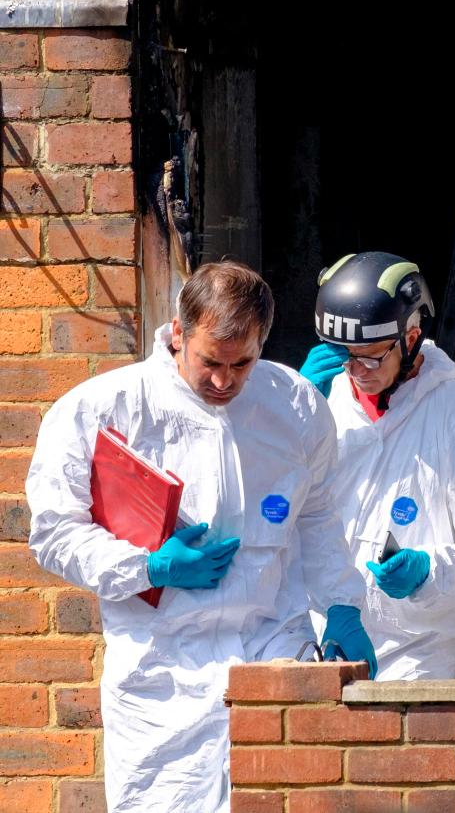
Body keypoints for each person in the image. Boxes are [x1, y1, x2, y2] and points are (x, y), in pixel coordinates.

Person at [26, 261, 375, 813]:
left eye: (243, 364)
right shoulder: (102, 410)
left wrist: (341, 606)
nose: (224, 381)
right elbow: (53, 533)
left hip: (270, 653)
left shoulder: (294, 405)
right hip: (161, 673)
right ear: (178, 332)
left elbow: (318, 517)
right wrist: (147, 567)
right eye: (210, 361)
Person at [300, 250, 455, 681]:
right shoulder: (321, 400)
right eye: (344, 355)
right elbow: (272, 505)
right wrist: (292, 413)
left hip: (417, 654)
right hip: (319, 638)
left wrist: (428, 572)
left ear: (413, 336)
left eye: (371, 357)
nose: (356, 370)